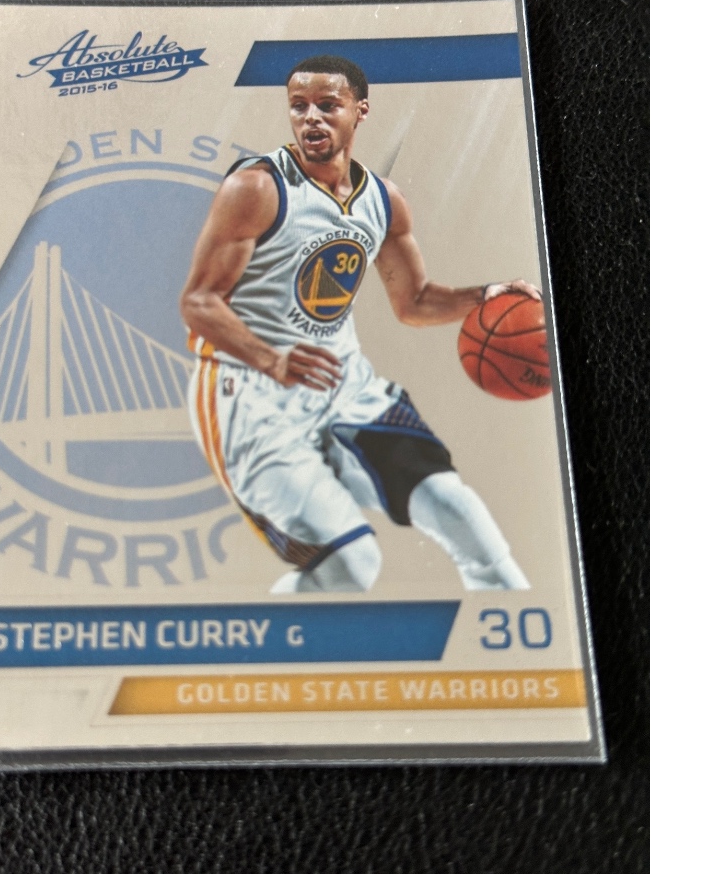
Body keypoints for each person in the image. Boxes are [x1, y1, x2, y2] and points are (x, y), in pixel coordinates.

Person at [180, 55, 538, 593]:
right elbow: (199, 302)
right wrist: (271, 358)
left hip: (343, 384)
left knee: (459, 513)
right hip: (249, 396)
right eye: (299, 107)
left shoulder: (383, 201)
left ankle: (516, 633)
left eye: (328, 105)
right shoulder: (256, 188)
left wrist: (483, 295)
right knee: (351, 567)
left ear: (360, 111)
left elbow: (414, 302)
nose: (311, 118)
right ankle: (274, 633)